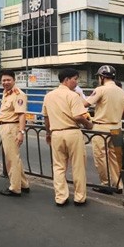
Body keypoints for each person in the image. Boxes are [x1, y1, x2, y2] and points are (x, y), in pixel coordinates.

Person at [42, 68, 93, 206]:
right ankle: (79, 197)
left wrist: (48, 133)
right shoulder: (73, 96)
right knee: (78, 166)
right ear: (66, 80)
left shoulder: (49, 96)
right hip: (72, 132)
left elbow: (46, 118)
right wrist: (88, 124)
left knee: (58, 167)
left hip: (56, 133)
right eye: (75, 79)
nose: (76, 82)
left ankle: (61, 197)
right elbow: (78, 116)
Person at [84, 65, 124, 194]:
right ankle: (118, 184)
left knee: (100, 157)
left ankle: (106, 184)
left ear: (102, 77)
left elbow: (86, 104)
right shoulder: (121, 91)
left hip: (101, 127)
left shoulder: (101, 90)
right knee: (115, 158)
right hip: (116, 127)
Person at [0, 70, 30, 197]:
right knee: (14, 158)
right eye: (3, 80)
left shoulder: (19, 95)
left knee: (11, 159)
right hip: (4, 126)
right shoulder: (6, 93)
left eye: (8, 80)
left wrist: (21, 132)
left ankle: (15, 188)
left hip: (12, 128)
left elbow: (22, 115)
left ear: (14, 80)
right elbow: (4, 111)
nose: (5, 82)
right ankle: (23, 184)